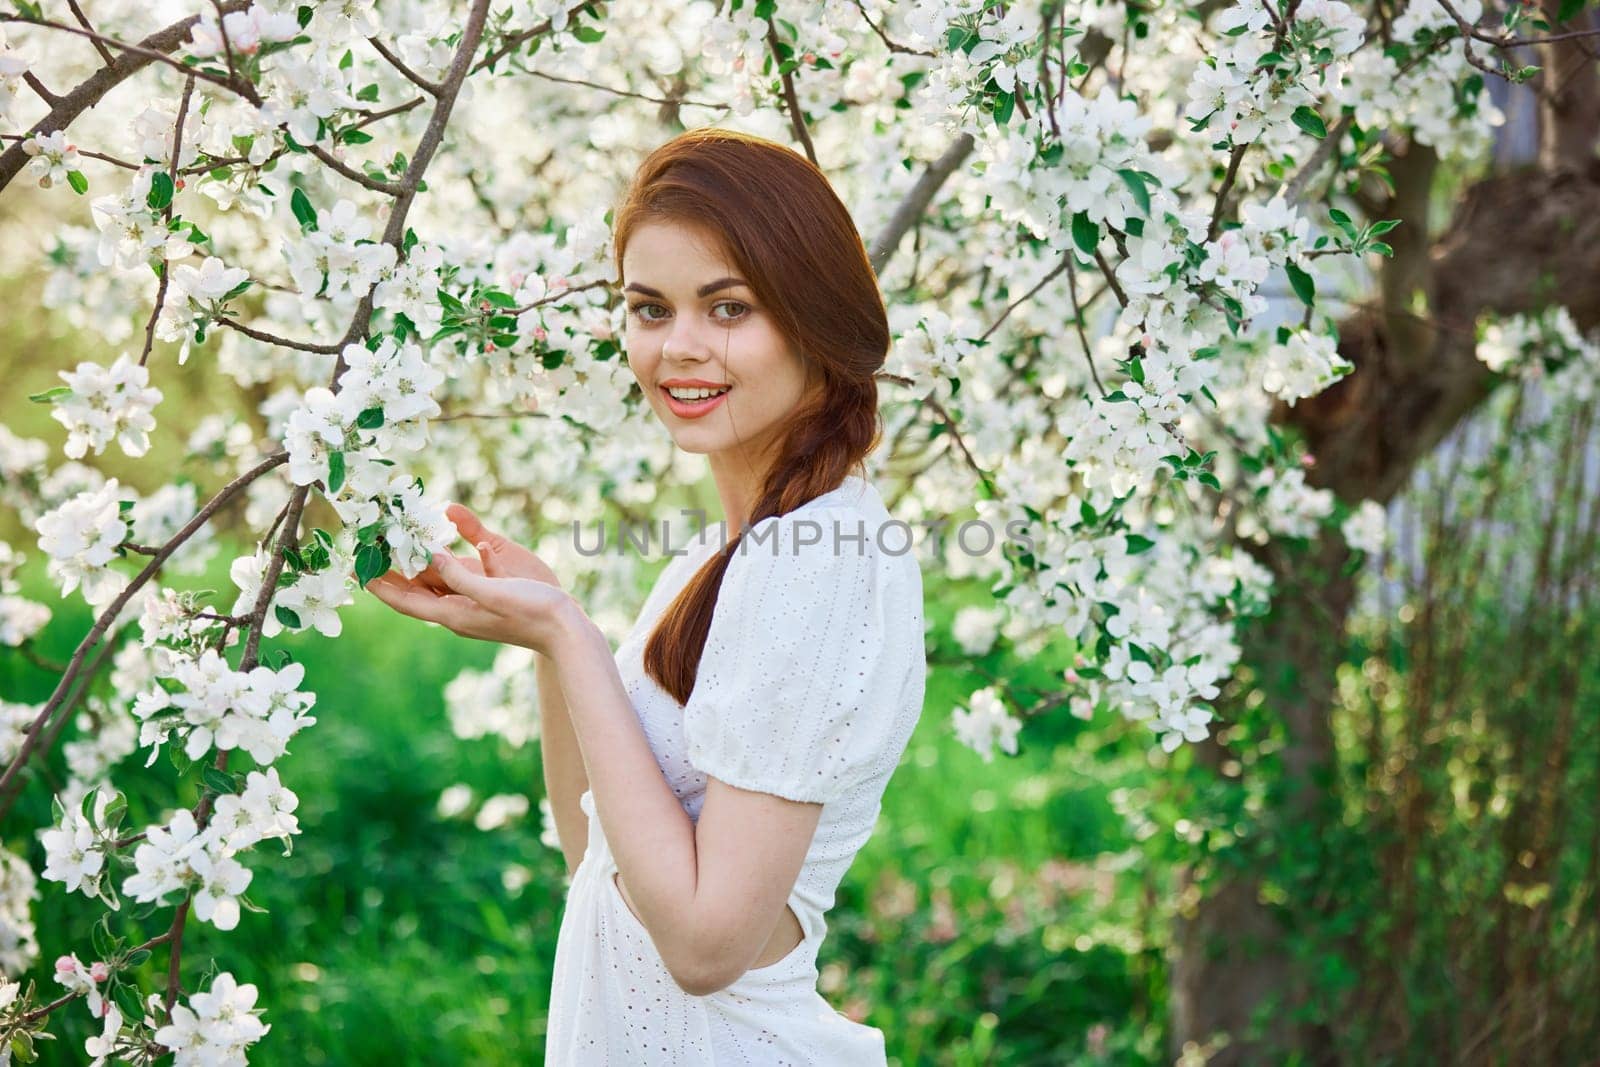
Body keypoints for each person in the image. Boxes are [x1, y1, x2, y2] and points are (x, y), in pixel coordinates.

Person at [368, 127, 927, 1064]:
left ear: (812, 316)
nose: (681, 349)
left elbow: (707, 946)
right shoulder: (724, 556)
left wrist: (570, 635)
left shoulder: (817, 560)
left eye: (729, 307)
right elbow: (599, 857)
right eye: (649, 308)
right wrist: (554, 635)